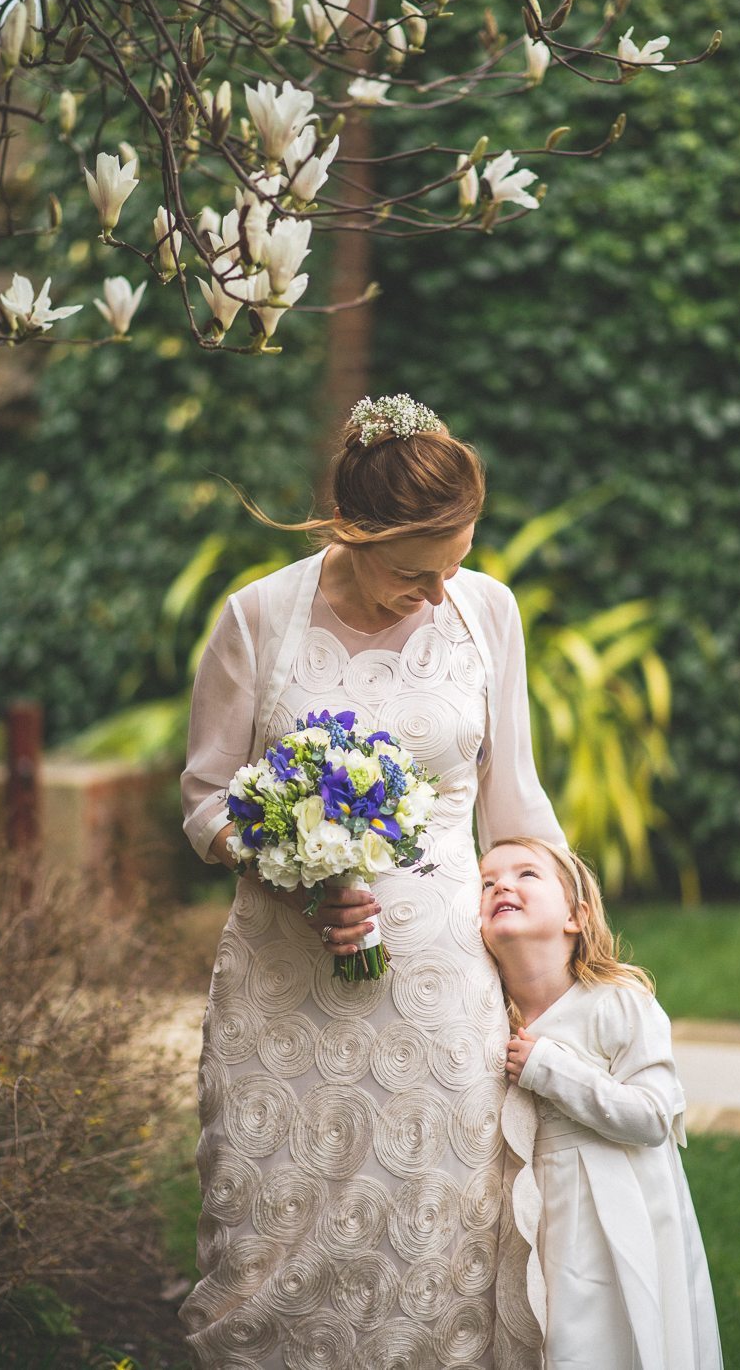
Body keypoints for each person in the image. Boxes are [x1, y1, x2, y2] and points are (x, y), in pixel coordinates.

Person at [179, 393, 567, 1369]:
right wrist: (288, 861)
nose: (439, 595)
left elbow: (513, 802)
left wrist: (569, 970)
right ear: (352, 532)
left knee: (436, 1240)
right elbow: (202, 803)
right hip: (283, 995)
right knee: (270, 1238)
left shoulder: (486, 614)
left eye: (455, 565)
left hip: (441, 1001)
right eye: (414, 573)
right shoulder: (257, 618)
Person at [479, 836, 724, 1370]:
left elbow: (654, 1116)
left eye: (526, 874)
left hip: (615, 1208)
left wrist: (552, 1070)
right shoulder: (485, 1019)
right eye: (486, 881)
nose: (501, 885)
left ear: (576, 916)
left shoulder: (618, 1003)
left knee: (599, 1337)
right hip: (532, 1213)